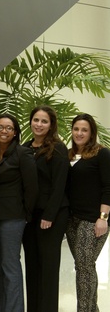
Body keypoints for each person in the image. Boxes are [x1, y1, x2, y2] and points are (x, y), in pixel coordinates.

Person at [0, 113, 37, 312]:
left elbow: (32, 187)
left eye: (9, 128)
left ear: (15, 132)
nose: (4, 131)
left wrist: (26, 214)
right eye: (0, 127)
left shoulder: (22, 153)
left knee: (10, 265)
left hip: (13, 217)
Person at [23, 105, 70, 312]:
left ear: (51, 125)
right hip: (29, 215)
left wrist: (49, 215)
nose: (39, 124)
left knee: (48, 268)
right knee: (32, 266)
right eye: (36, 120)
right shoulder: (25, 147)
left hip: (52, 214)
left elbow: (60, 185)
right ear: (30, 121)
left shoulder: (58, 148)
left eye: (44, 121)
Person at [65, 113, 110, 312]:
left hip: (93, 220)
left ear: (91, 133)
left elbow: (108, 187)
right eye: (76, 129)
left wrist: (103, 218)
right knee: (85, 266)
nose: (79, 133)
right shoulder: (67, 155)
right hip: (72, 220)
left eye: (84, 130)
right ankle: (92, 309)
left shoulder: (102, 153)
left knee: (84, 266)